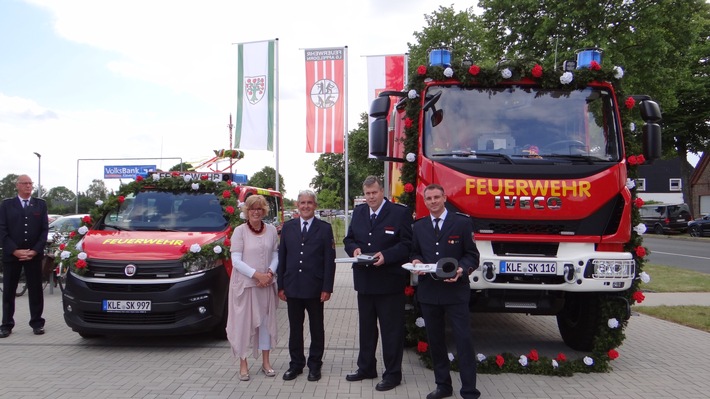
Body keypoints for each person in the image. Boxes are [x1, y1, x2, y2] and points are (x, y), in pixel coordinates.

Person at [409, 184, 481, 399]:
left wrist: (461, 268)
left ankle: (469, 390)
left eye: (436, 197)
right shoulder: (419, 226)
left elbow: (472, 255)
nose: (432, 201)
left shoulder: (461, 222)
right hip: (430, 292)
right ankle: (443, 386)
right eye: (428, 198)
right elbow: (416, 252)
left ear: (444, 197)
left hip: (455, 291)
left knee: (463, 340)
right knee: (436, 341)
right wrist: (416, 262)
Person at [343, 175, 412, 392]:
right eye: (367, 193)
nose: (371, 197)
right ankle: (366, 368)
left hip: (390, 282)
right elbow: (349, 239)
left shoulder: (399, 213)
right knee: (367, 330)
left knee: (391, 332)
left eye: (374, 192)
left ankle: (392, 374)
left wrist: (387, 256)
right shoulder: (360, 212)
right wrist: (353, 249)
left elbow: (407, 244)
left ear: (382, 192)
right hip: (365, 281)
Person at [277, 190, 336, 382]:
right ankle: (296, 365)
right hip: (292, 286)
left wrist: (327, 287)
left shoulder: (324, 229)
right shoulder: (288, 227)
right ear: (297, 205)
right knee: (295, 328)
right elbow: (282, 257)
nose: (306, 206)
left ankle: (315, 365)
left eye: (309, 203)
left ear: (315, 206)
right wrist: (281, 285)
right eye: (302, 202)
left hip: (315, 287)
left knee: (316, 328)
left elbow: (329, 260)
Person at [226, 194, 279, 381]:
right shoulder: (239, 232)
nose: (255, 212)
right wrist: (258, 275)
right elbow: (236, 261)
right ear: (246, 211)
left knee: (265, 324)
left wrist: (270, 274)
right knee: (243, 324)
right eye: (252, 208)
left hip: (266, 285)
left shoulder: (271, 230)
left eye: (259, 208)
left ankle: (266, 362)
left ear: (263, 210)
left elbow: (275, 255)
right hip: (246, 286)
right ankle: (243, 364)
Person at [0, 174, 49, 338]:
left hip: (33, 255)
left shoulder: (40, 205)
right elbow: (2, 230)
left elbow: (44, 231)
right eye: (25, 183)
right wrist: (14, 250)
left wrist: (34, 250)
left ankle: (37, 323)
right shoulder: (7, 205)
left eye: (30, 183)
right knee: (9, 290)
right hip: (12, 255)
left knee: (36, 289)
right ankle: (6, 324)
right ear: (17, 186)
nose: (28, 186)